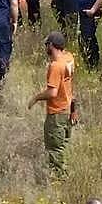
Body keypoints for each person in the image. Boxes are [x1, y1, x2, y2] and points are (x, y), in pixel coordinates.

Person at [28, 32, 76, 176]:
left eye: (47, 45)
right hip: (67, 110)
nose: (45, 48)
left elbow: (52, 93)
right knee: (63, 145)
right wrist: (74, 109)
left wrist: (36, 98)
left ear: (51, 46)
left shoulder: (56, 66)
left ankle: (60, 179)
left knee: (55, 149)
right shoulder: (69, 59)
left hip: (56, 113)